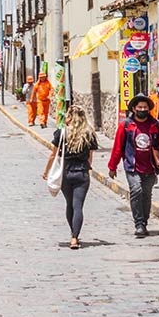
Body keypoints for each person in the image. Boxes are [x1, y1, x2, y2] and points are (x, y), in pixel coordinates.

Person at [109, 94, 159, 238]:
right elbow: (118, 147)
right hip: (132, 166)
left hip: (150, 167)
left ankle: (144, 221)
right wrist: (112, 166)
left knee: (146, 194)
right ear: (134, 109)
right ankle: (139, 223)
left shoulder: (156, 126)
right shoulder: (126, 126)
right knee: (136, 190)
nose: (142, 109)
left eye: (145, 107)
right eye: (140, 107)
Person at [42, 105, 98, 249]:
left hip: (66, 173)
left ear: (69, 118)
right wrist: (86, 168)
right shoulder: (89, 134)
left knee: (69, 204)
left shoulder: (61, 133)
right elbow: (90, 158)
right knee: (78, 205)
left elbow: (53, 154)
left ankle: (73, 234)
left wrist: (46, 172)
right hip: (82, 174)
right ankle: (74, 238)